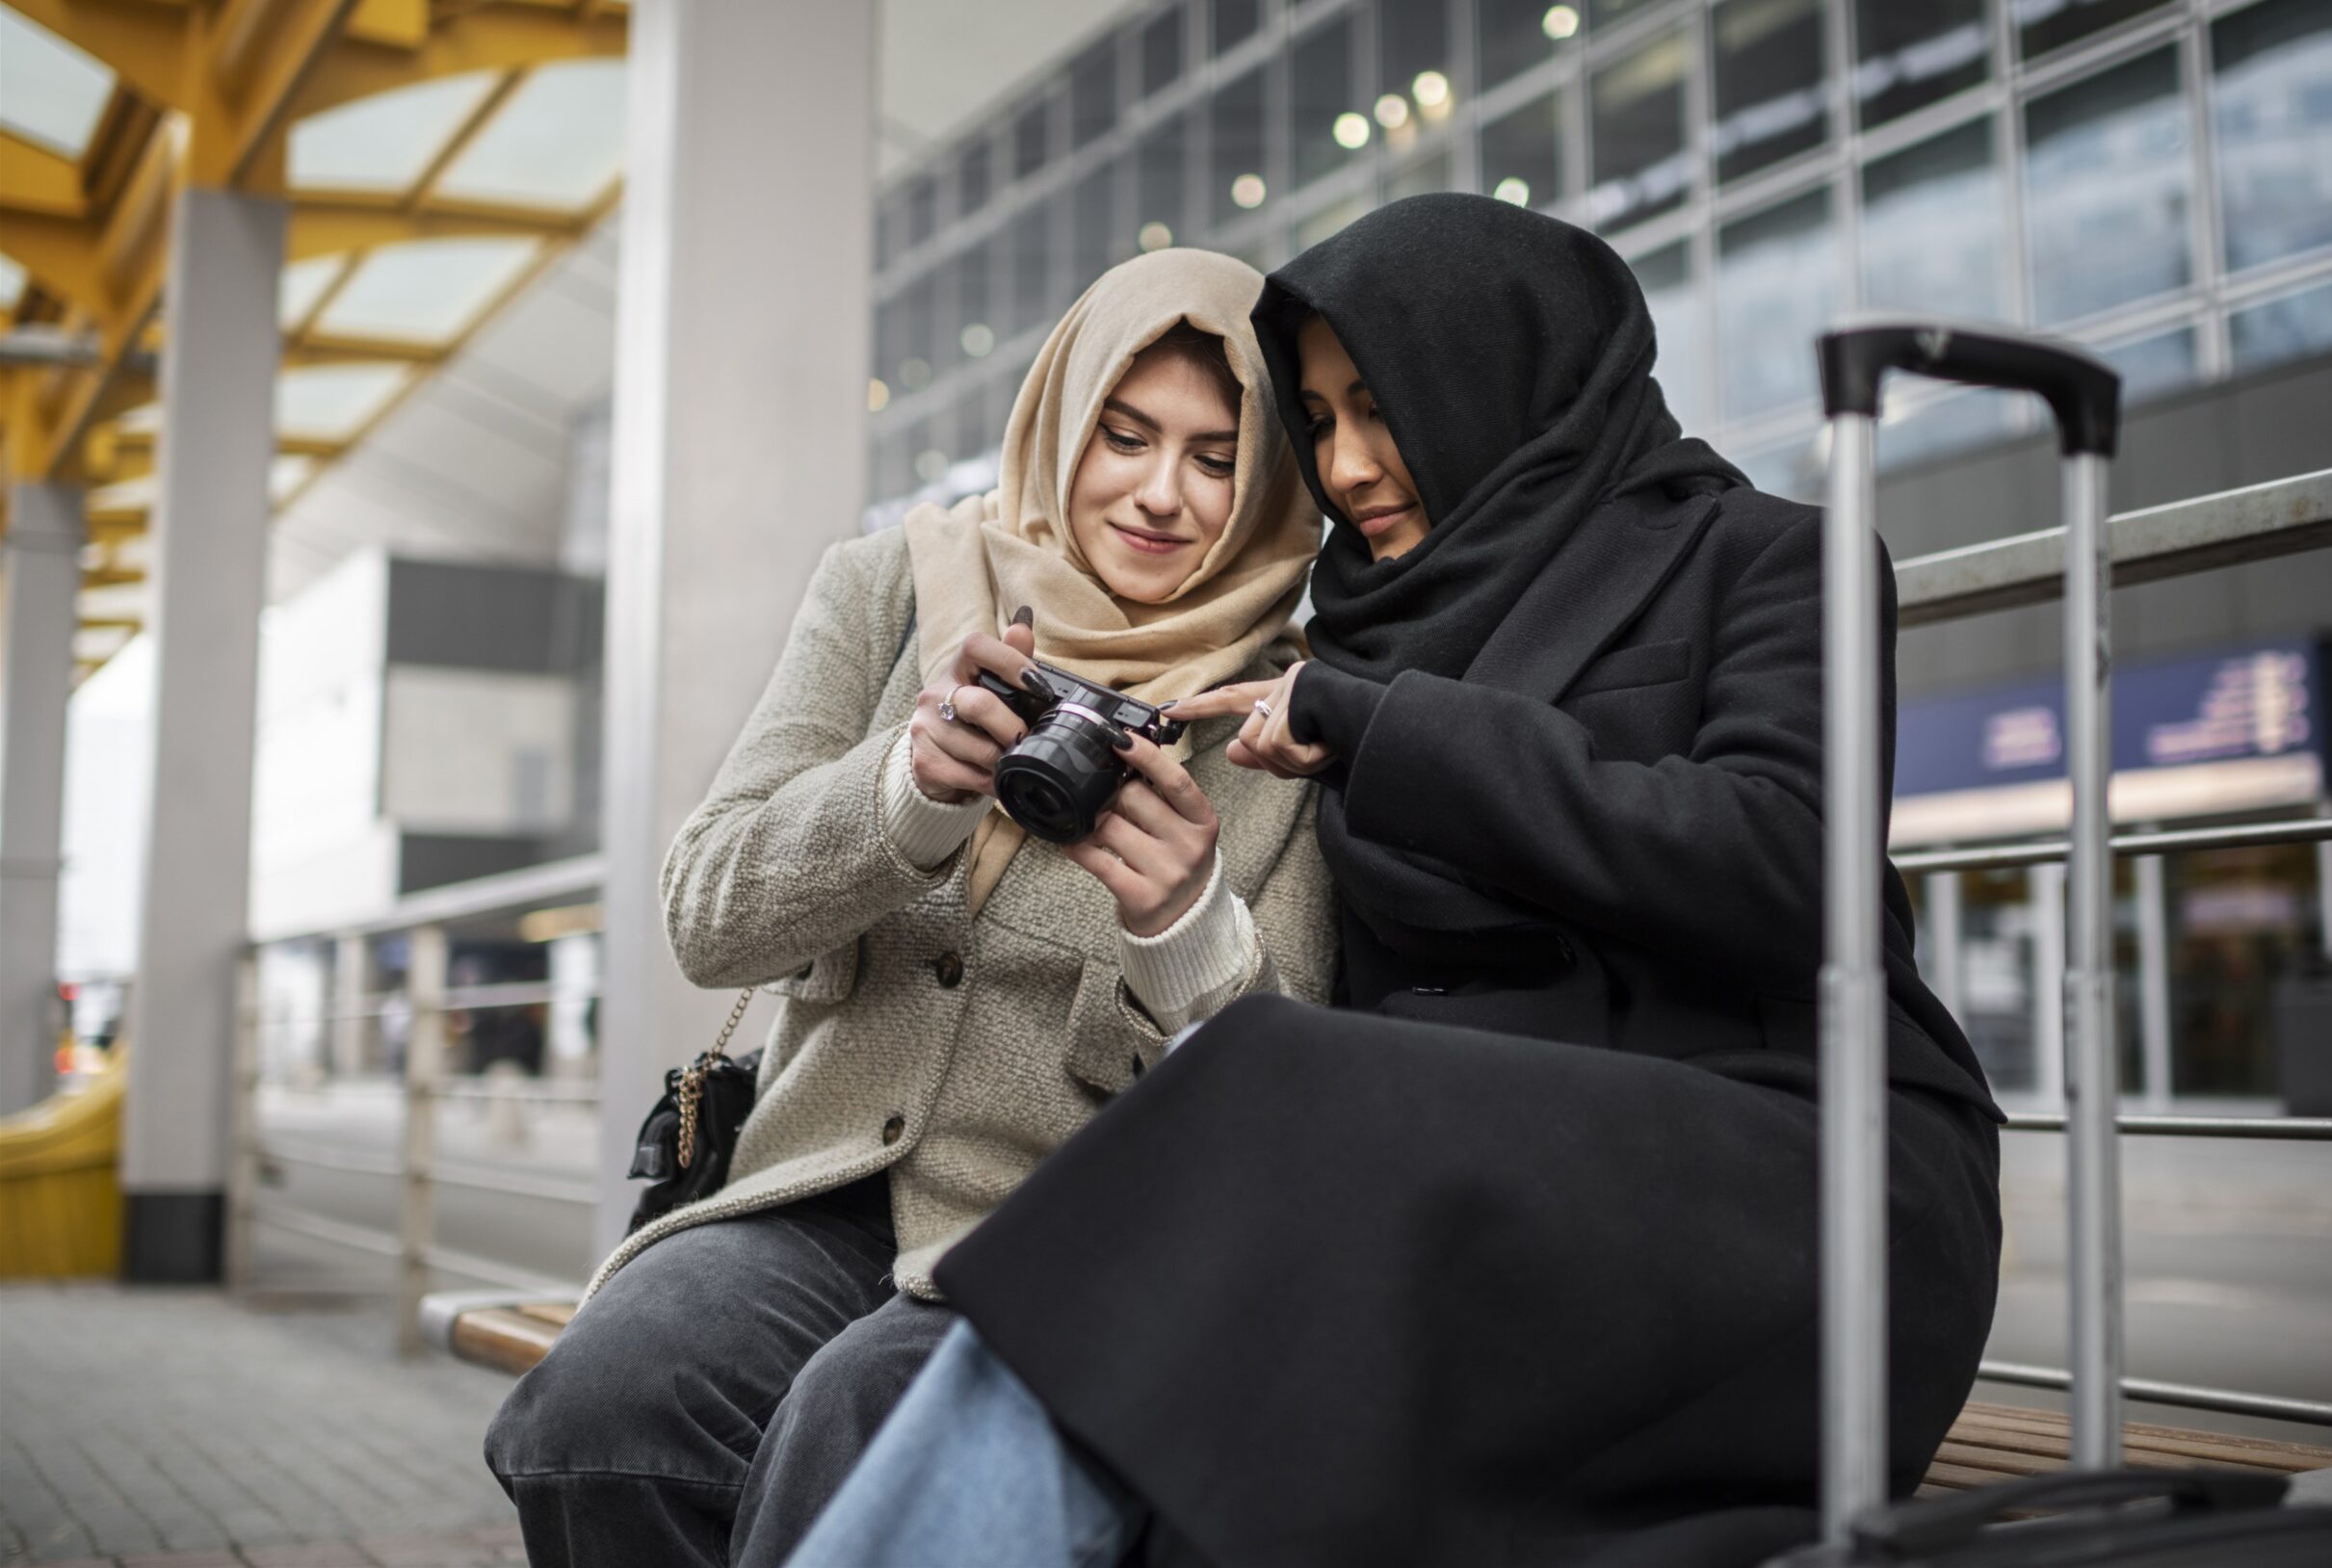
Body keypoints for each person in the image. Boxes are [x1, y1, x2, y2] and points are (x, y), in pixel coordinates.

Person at [786, 194, 2005, 1568]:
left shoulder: (1763, 560)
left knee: (1246, 1130)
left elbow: (1792, 869)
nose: (1349, 464)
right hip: (1478, 1222)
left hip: (1783, 1181)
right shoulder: (1353, 634)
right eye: (1317, 420)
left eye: (1382, 405)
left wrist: (1392, 729)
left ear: (1495, 375)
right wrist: (1180, 899)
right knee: (987, 1402)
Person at [483, 248, 1332, 1568]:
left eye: (1218, 459)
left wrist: (1187, 927)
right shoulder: (894, 595)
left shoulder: (1294, 707)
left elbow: (1293, 1110)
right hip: (821, 1185)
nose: (1162, 494)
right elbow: (708, 915)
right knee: (599, 1413)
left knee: (853, 1432)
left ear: (1275, 475)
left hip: (1067, 1240)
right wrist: (905, 795)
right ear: (1061, 418)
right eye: (1123, 434)